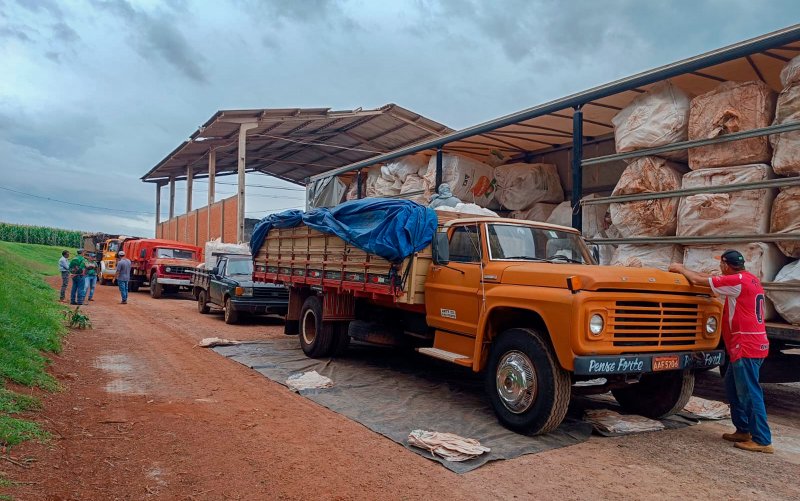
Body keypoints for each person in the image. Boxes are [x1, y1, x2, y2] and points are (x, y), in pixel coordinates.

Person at [669, 250, 773, 453]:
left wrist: (680, 268)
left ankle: (762, 440)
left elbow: (699, 280)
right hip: (749, 343)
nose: (720, 268)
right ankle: (743, 429)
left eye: (721, 264)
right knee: (733, 387)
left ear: (725, 265)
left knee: (749, 393)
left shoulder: (736, 282)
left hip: (746, 345)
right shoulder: (749, 279)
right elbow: (711, 281)